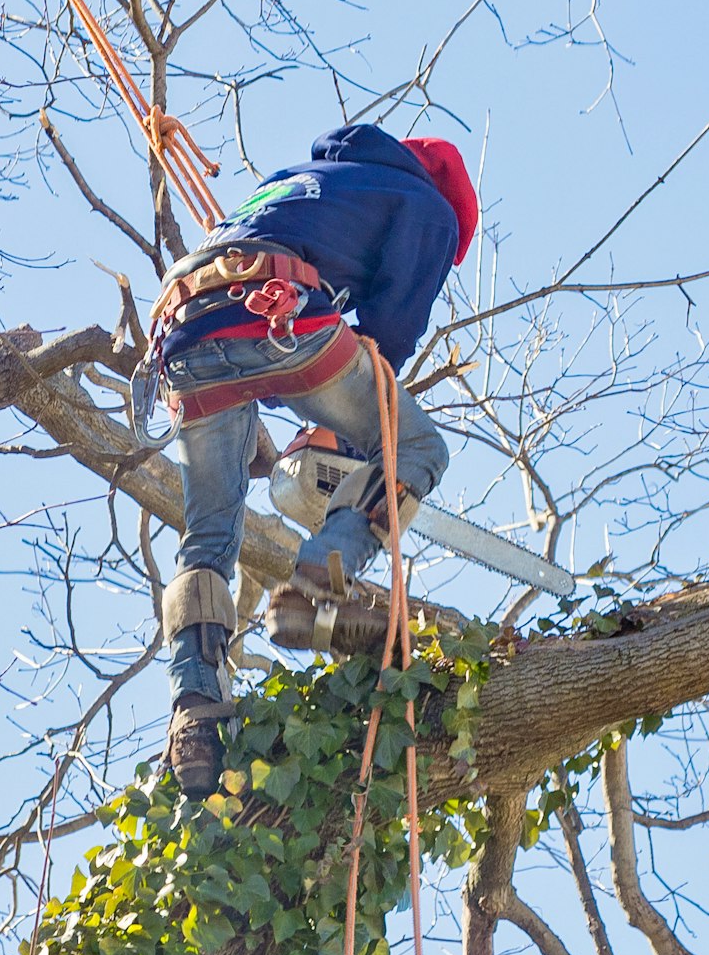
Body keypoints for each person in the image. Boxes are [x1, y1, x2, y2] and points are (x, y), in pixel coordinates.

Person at [148, 124, 479, 797]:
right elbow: (385, 341)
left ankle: (195, 709)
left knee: (207, 538)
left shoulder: (297, 181)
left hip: (183, 335)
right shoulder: (430, 208)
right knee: (418, 447)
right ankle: (317, 584)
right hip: (280, 317)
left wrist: (274, 427)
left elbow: (244, 311)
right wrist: (342, 439)